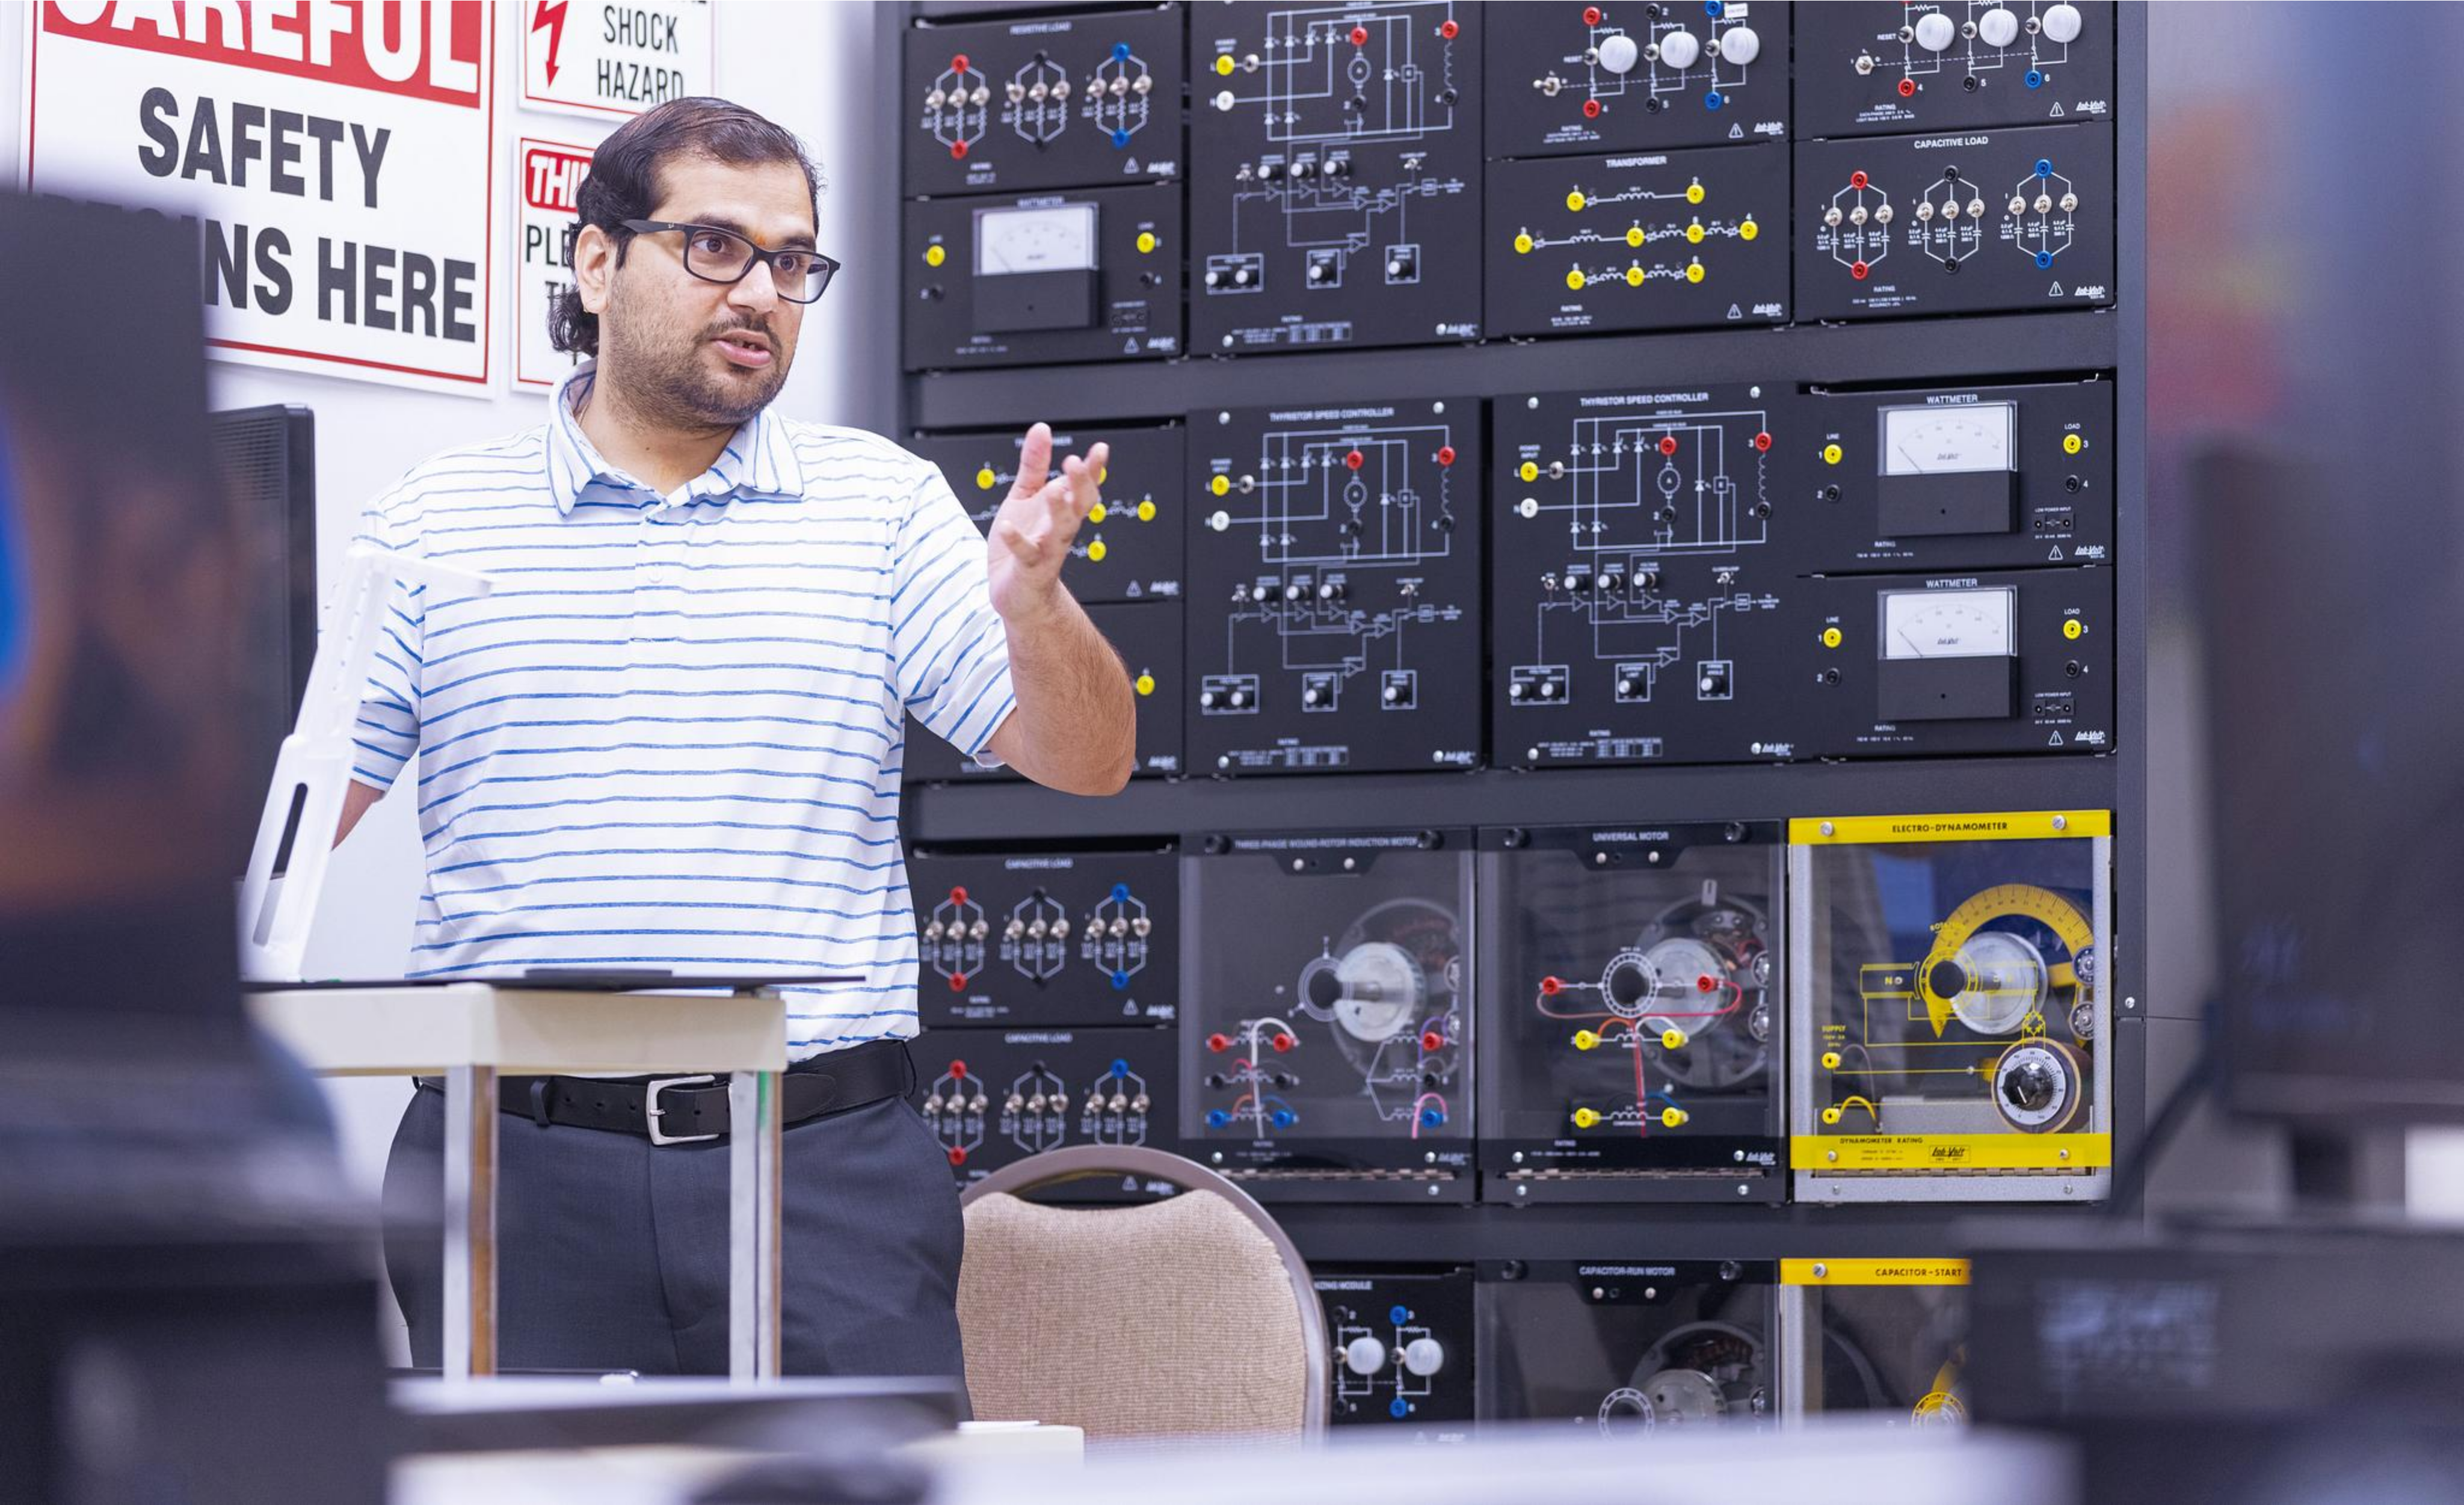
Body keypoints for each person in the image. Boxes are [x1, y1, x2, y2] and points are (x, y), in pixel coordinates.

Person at [343, 97, 1134, 1383]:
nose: (760, 290)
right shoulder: (433, 519)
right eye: (713, 245)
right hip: (512, 1171)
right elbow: (303, 812)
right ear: (595, 261)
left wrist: (1035, 610)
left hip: (819, 1169)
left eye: (790, 260)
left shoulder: (880, 504)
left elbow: (1087, 761)